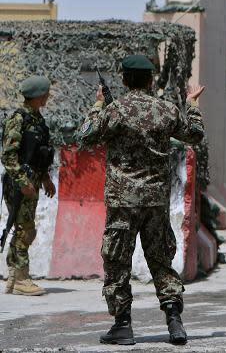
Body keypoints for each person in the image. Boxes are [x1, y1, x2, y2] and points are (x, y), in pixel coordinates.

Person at [79, 55, 205, 346]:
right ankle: (175, 322)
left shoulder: (115, 110)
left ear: (124, 80)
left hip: (122, 202)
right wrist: (192, 104)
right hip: (155, 201)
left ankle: (122, 325)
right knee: (161, 261)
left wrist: (99, 104)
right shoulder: (166, 110)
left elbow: (85, 135)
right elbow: (195, 134)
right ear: (150, 80)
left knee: (117, 263)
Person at [1, 75, 55, 296]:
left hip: (32, 181)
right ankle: (22, 279)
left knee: (23, 229)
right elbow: (8, 155)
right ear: (38, 96)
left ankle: (14, 277)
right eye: (45, 94)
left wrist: (45, 179)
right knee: (25, 230)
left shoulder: (37, 120)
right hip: (19, 184)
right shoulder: (18, 119)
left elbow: (39, 155)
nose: (48, 97)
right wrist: (23, 182)